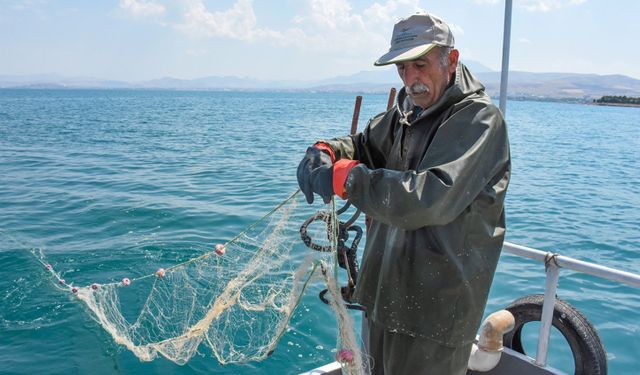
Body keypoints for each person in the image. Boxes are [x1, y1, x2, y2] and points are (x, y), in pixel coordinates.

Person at [297, 11, 510, 375]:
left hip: (436, 315)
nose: (412, 81)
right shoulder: (407, 113)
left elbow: (428, 198)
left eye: (421, 66)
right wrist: (329, 151)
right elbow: (364, 145)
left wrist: (348, 180)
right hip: (387, 297)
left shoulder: (479, 121)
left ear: (451, 60)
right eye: (402, 70)